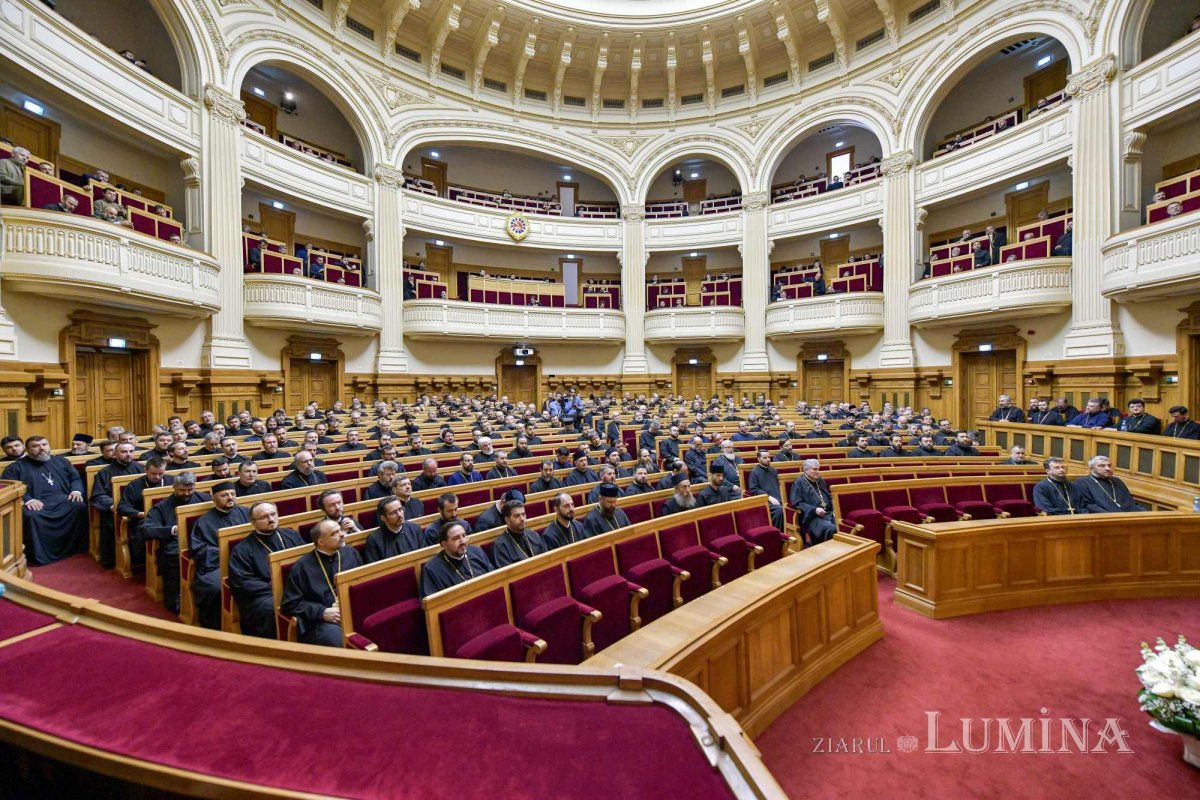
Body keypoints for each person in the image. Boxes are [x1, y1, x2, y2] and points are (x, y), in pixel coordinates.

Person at [1, 436, 88, 565]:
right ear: (28, 449)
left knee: (79, 506)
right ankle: (39, 556)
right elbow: (10, 488)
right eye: (36, 446)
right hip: (36, 502)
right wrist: (28, 500)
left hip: (62, 499)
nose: (41, 448)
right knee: (31, 516)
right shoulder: (15, 467)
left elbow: (75, 478)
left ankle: (74, 548)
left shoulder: (62, 461)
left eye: (44, 444)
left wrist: (76, 491)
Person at [280, 519, 363, 647]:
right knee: (338, 640)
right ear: (321, 542)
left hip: (353, 612)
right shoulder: (302, 566)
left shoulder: (351, 553)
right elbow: (290, 603)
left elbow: (362, 584)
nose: (342, 534)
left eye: (340, 530)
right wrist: (321, 612)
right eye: (335, 533)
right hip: (321, 622)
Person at [228, 502, 306, 638]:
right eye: (264, 517)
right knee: (274, 609)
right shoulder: (242, 549)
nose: (271, 519)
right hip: (265, 595)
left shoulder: (291, 535)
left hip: (297, 587)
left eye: (273, 514)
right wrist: (278, 589)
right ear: (253, 522)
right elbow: (242, 582)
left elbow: (307, 561)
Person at [141, 472, 209, 615]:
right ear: (174, 487)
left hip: (203, 543)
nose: (186, 493)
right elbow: (146, 530)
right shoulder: (162, 506)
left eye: (190, 489)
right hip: (175, 546)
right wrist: (171, 530)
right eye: (182, 490)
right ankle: (177, 601)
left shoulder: (205, 499)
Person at [190, 482, 250, 630]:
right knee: (215, 588)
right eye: (224, 495)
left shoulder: (246, 513)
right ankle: (216, 627)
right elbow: (199, 550)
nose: (230, 498)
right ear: (213, 498)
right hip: (218, 564)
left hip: (247, 561)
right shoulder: (204, 521)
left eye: (232, 494)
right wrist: (226, 552)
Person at [89, 441, 143, 569]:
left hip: (139, 507)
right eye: (124, 452)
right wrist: (112, 505)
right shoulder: (105, 472)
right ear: (115, 454)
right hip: (116, 509)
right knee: (110, 521)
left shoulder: (142, 469)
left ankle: (142, 559)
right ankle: (114, 560)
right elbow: (99, 495)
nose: (128, 455)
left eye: (131, 451)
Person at [419, 520, 493, 597]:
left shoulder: (476, 551)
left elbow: (494, 577)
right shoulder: (432, 569)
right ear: (444, 544)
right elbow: (432, 603)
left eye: (464, 536)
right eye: (456, 538)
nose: (462, 541)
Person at [1074, 456, 1144, 513]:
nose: (1107, 468)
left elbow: (1129, 501)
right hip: (1105, 520)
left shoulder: (1116, 480)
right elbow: (1088, 505)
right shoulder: (1082, 482)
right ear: (1091, 468)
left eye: (1109, 465)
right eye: (1102, 466)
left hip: (1127, 517)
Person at [364, 496, 425, 561]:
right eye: (393, 513)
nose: (399, 515)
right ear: (383, 518)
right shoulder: (374, 540)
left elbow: (423, 556)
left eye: (400, 509)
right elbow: (374, 568)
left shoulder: (415, 529)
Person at [789, 459, 836, 544]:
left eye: (818, 469)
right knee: (831, 529)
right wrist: (815, 510)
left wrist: (835, 509)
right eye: (814, 469)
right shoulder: (799, 482)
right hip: (812, 517)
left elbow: (828, 496)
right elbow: (797, 503)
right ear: (805, 470)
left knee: (843, 525)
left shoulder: (820, 480)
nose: (818, 472)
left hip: (828, 513)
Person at [490, 500, 548, 567]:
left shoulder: (533, 535)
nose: (522, 519)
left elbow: (547, 558)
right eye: (517, 516)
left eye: (523, 514)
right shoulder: (500, 546)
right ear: (507, 519)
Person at [746, 450, 784, 529]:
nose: (768, 459)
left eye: (769, 457)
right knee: (779, 510)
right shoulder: (754, 472)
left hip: (778, 498)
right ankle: (778, 534)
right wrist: (768, 497)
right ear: (759, 459)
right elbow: (754, 489)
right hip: (765, 500)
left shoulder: (773, 470)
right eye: (765, 458)